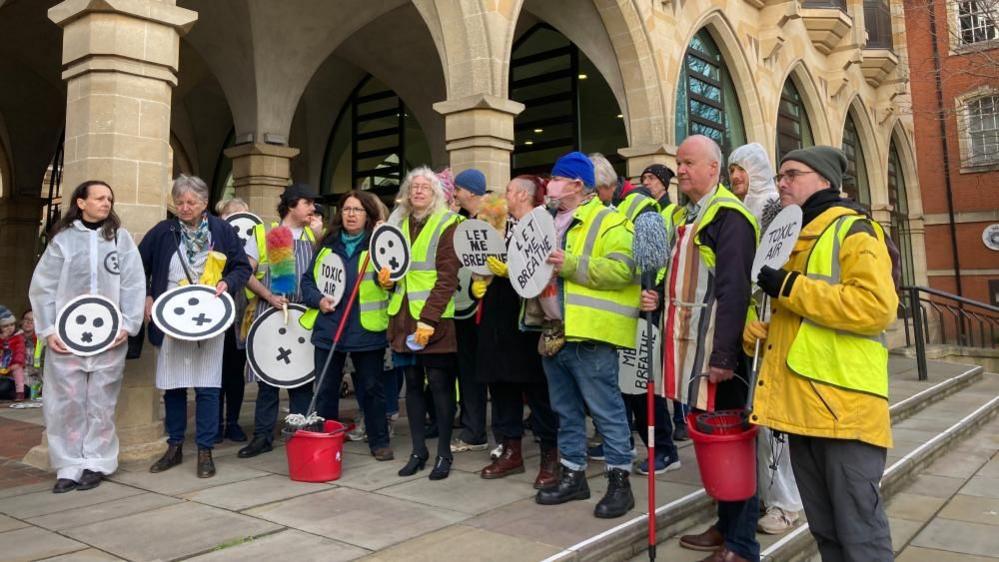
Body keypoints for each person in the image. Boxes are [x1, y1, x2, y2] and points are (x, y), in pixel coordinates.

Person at [747, 146, 897, 561]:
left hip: (845, 412)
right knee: (828, 534)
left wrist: (788, 287)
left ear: (825, 181)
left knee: (861, 537)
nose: (781, 183)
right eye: (779, 175)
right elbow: (801, 318)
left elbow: (874, 307)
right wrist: (760, 331)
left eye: (792, 174)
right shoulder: (794, 233)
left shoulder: (854, 230)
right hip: (803, 408)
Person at [655, 136, 759, 562]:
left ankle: (742, 544)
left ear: (713, 169)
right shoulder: (685, 214)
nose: (679, 170)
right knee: (713, 445)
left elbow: (734, 291)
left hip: (719, 354)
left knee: (733, 447)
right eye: (678, 163)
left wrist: (722, 357)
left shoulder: (729, 217)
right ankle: (725, 526)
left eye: (688, 163)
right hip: (692, 349)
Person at [533, 151, 640, 519]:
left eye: (556, 178)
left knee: (606, 411)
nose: (550, 184)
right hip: (553, 331)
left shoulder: (610, 221)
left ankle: (618, 482)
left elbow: (624, 270)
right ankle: (574, 474)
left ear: (577, 184)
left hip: (589, 334)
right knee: (565, 411)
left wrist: (572, 265)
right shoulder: (545, 221)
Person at [28, 180, 144, 492]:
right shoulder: (63, 240)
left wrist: (128, 325)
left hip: (109, 337)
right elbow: (44, 286)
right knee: (65, 401)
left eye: (109, 198)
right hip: (67, 337)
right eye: (99, 198)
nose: (106, 203)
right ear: (81, 202)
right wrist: (48, 329)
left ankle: (97, 462)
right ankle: (68, 465)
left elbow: (134, 283)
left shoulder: (120, 240)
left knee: (102, 402)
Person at [140, 175, 252, 478]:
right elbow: (139, 266)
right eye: (180, 202)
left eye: (191, 202)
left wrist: (228, 282)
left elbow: (242, 266)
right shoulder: (164, 232)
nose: (185, 207)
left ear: (204, 204)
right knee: (174, 386)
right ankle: (175, 446)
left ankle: (205, 450)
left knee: (207, 387)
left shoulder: (222, 230)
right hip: (172, 319)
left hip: (209, 320)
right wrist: (148, 294)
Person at [728, 142, 802, 535]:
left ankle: (785, 503)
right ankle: (761, 491)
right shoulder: (741, 210)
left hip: (775, 325)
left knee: (775, 421)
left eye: (741, 169)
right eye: (732, 170)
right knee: (758, 415)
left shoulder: (774, 208)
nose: (736, 177)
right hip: (751, 329)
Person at [476, 175, 559, 489]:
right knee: (500, 385)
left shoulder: (542, 225)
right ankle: (510, 449)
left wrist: (512, 269)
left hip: (528, 318)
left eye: (509, 190)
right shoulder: (501, 225)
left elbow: (544, 267)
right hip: (497, 316)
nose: (505, 195)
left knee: (537, 389)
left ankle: (550, 452)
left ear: (523, 195)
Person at [301, 190, 394, 461]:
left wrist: (387, 281)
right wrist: (318, 300)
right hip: (330, 327)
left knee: (371, 389)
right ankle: (325, 440)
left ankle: (379, 442)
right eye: (347, 209)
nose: (351, 214)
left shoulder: (378, 245)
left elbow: (393, 279)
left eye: (358, 210)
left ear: (369, 215)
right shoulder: (327, 245)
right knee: (326, 389)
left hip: (366, 329)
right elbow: (307, 282)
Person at [385, 167, 462, 480]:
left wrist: (428, 319)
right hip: (403, 318)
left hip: (434, 321)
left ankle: (444, 453)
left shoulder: (447, 223)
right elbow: (392, 264)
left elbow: (447, 278)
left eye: (425, 188)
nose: (418, 191)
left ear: (436, 194)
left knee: (441, 387)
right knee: (412, 387)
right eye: (413, 186)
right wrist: (387, 281)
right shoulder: (397, 224)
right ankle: (419, 451)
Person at [238, 184, 320, 459]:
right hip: (271, 315)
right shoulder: (263, 234)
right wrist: (268, 295)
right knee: (268, 381)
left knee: (302, 380)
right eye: (307, 203)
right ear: (292, 205)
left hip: (303, 317)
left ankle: (302, 432)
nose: (312, 209)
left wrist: (322, 237)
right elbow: (244, 272)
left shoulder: (314, 235)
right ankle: (262, 436)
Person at [449, 168, 490, 453]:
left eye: (459, 188)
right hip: (465, 308)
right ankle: (472, 426)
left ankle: (477, 429)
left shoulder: (492, 221)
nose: (455, 193)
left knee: (482, 371)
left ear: (472, 191)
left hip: (487, 310)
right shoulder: (464, 222)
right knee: (468, 370)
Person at [214, 197, 254, 443]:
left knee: (234, 372)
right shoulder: (213, 239)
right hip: (217, 314)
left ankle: (234, 422)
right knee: (214, 373)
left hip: (241, 316)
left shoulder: (253, 243)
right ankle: (214, 423)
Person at [0, 306, 26, 401]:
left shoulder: (18, 337)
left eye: (11, 325)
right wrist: (3, 339)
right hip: (2, 361)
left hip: (14, 361)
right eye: (5, 326)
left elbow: (20, 350)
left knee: (18, 371)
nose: (10, 328)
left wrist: (17, 362)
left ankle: (20, 392)